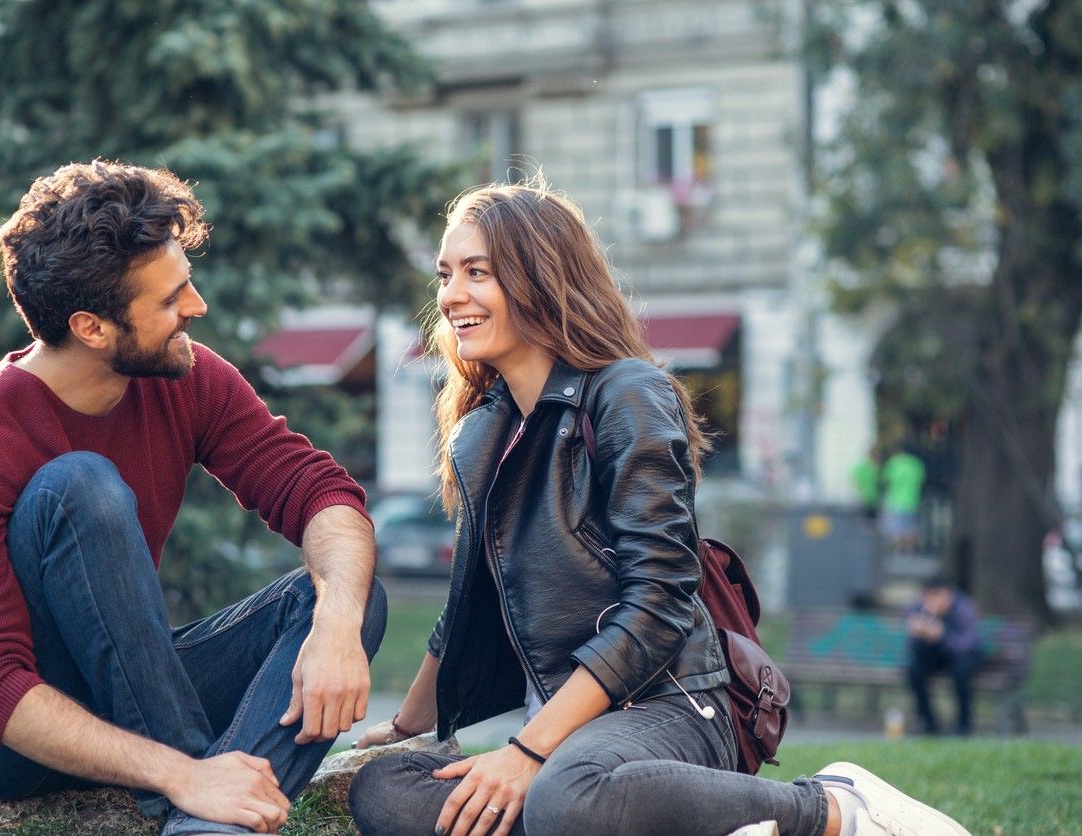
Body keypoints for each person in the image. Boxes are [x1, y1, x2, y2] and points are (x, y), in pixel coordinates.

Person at [346, 180, 969, 836]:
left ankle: (832, 806)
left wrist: (529, 750)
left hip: (670, 702)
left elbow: (659, 608)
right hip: (571, 724)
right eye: (445, 275)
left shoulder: (627, 394)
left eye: (478, 272)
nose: (451, 297)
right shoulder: (484, 432)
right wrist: (405, 728)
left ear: (539, 275)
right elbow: (464, 607)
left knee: (567, 795)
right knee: (385, 788)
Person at [0, 160, 387, 835]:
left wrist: (336, 622)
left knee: (344, 596)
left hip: (127, 690)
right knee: (80, 486)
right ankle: (195, 784)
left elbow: (316, 489)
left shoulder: (186, 376)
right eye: (169, 300)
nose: (197, 307)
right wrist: (182, 770)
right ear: (92, 328)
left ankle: (207, 826)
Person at [906, 577, 983, 736]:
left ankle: (963, 725)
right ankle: (929, 723)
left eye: (936, 596)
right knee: (914, 671)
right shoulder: (919, 609)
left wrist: (942, 636)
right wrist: (918, 634)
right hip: (935, 656)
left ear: (948, 594)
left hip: (961, 657)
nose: (932, 601)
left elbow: (967, 645)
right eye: (928, 596)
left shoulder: (963, 608)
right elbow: (914, 648)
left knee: (961, 672)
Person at [879, 446, 926, 553]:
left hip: (894, 502)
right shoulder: (916, 463)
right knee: (911, 530)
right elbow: (922, 482)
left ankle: (898, 553)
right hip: (913, 501)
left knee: (895, 532)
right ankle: (911, 553)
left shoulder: (893, 463)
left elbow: (884, 481)